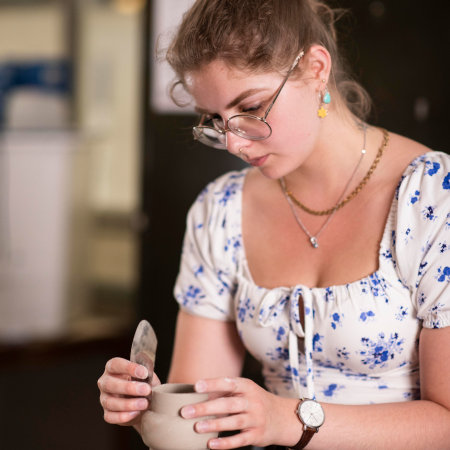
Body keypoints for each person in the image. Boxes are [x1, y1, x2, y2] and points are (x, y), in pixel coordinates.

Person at [97, 0, 450, 448]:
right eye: (216, 121)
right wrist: (146, 409)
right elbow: (196, 416)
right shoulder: (221, 210)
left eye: (252, 107)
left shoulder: (433, 198)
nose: (233, 143)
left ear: (316, 68)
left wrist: (291, 421)